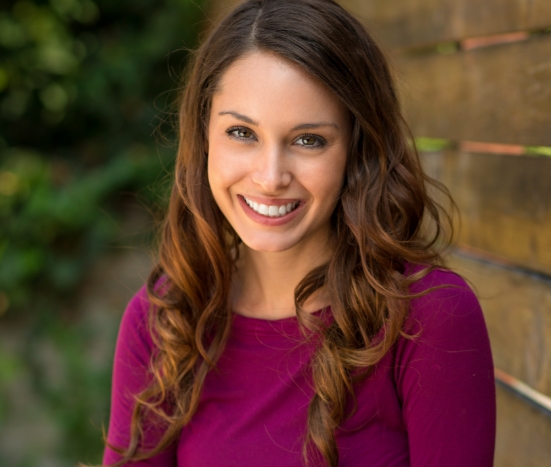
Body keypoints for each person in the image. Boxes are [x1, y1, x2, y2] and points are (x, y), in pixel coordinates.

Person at [102, 0, 496, 466]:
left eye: (309, 140)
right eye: (242, 133)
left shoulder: (429, 318)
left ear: (357, 148)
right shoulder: (165, 320)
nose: (270, 177)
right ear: (204, 135)